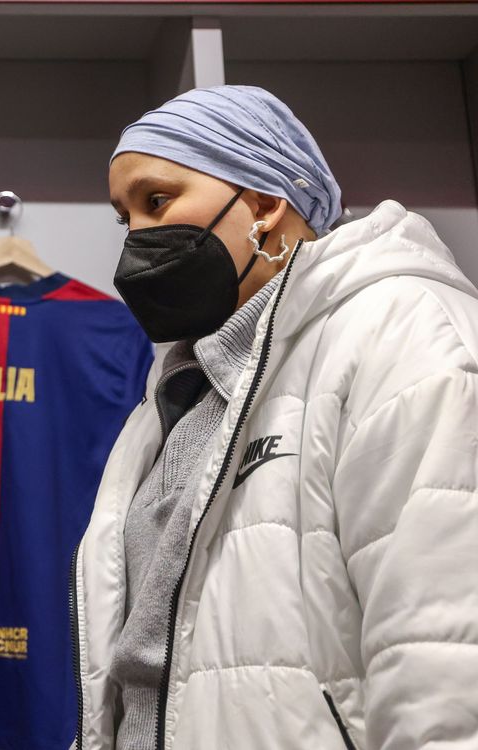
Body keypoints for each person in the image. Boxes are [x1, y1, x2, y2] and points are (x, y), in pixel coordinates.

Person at [71, 85, 478, 750]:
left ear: (262, 202)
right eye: (125, 219)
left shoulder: (402, 332)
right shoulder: (181, 393)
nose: (137, 240)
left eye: (157, 201)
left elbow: (447, 652)